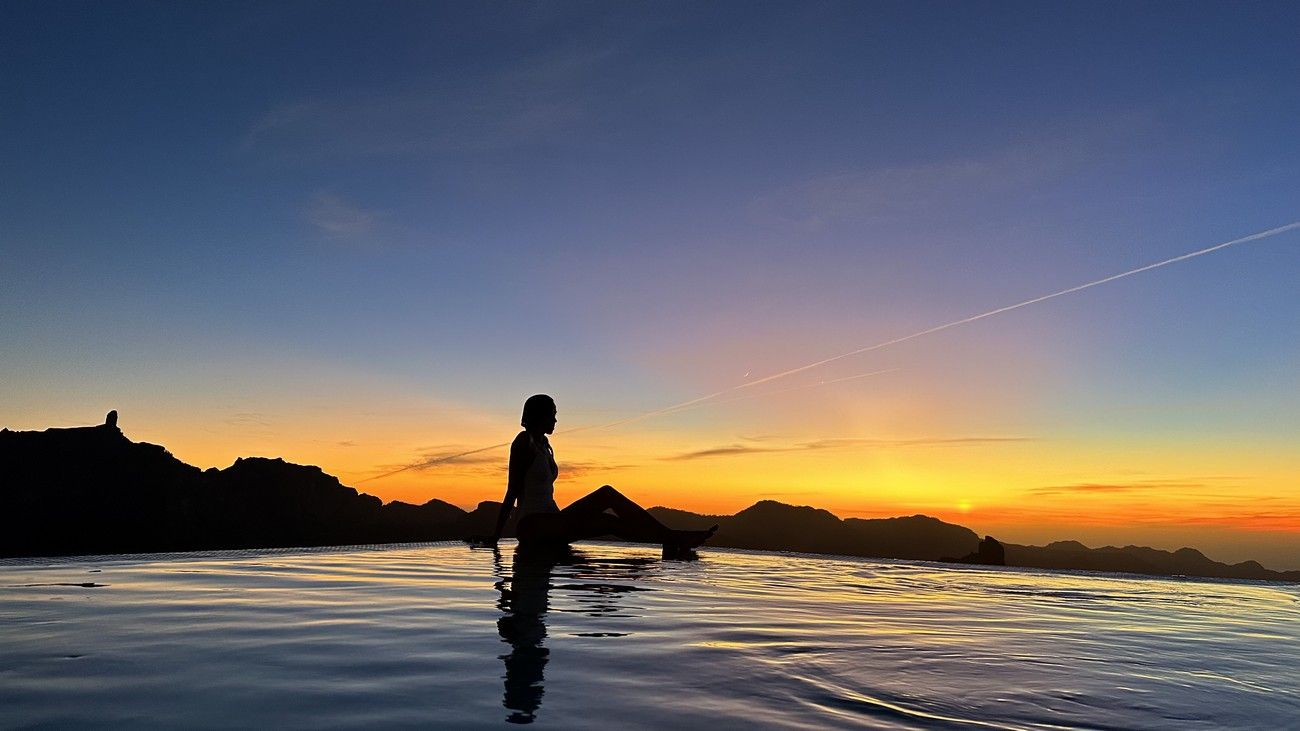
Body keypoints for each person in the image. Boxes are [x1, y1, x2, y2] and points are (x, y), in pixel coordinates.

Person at [486, 394, 715, 555]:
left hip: (552, 519)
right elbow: (512, 491)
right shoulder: (523, 442)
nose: (556, 420)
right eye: (552, 415)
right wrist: (495, 536)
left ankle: (670, 539)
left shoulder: (544, 445)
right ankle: (674, 539)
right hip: (532, 525)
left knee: (608, 506)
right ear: (540, 415)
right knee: (606, 509)